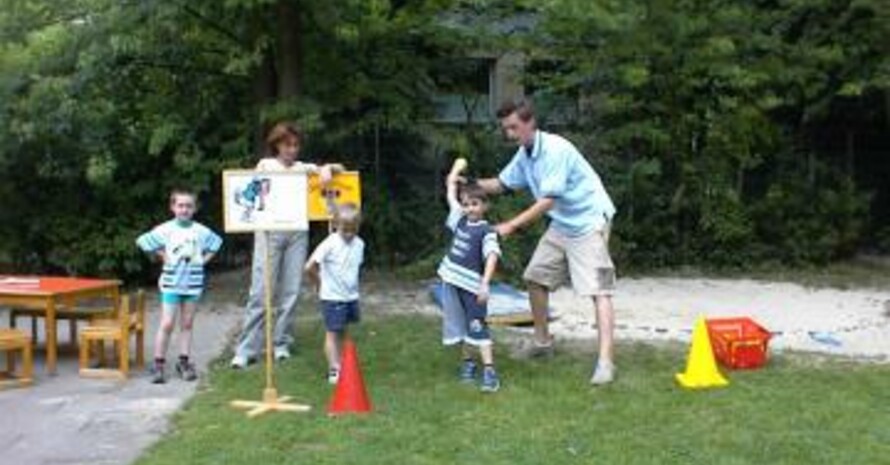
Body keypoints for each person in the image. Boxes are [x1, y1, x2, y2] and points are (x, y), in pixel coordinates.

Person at [476, 98, 618, 385]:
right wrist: (467, 185)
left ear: (530, 123)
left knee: (599, 290)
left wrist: (511, 225)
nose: (510, 134)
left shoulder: (554, 150)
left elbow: (547, 201)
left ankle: (606, 363)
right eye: (506, 129)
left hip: (591, 222)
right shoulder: (524, 153)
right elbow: (502, 184)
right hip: (562, 224)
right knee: (535, 278)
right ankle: (543, 344)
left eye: (514, 127)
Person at [230, 121, 343, 369]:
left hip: (296, 234)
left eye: (295, 145)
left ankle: (281, 343)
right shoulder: (266, 165)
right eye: (287, 145)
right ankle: (246, 348)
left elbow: (338, 169)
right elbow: (250, 193)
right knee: (261, 291)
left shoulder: (303, 168)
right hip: (269, 234)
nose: (292, 150)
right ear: (277, 145)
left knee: (290, 291)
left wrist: (327, 169)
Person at [136, 188, 223, 384]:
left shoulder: (200, 231)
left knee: (187, 323)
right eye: (180, 205)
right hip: (171, 284)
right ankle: (158, 364)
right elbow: (143, 241)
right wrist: (163, 255)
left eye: (188, 206)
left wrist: (202, 260)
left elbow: (217, 243)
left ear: (194, 209)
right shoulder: (166, 229)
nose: (184, 209)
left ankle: (184, 362)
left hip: (192, 284)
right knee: (167, 323)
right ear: (173, 207)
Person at [437, 159, 502, 393]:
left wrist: (485, 284)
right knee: (462, 326)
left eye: (474, 204)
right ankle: (468, 363)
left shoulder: (487, 231)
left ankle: (490, 371)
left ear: (485, 205)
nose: (469, 208)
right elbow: (450, 191)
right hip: (451, 282)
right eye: (466, 204)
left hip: (473, 288)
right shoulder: (459, 220)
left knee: (477, 326)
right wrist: (455, 171)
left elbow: (492, 256)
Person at [304, 202, 365, 384]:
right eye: (345, 230)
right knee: (332, 332)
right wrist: (319, 285)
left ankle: (346, 363)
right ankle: (334, 369)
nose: (349, 234)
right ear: (336, 225)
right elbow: (309, 267)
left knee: (344, 330)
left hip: (351, 296)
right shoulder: (329, 243)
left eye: (353, 230)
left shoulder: (360, 244)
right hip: (332, 297)